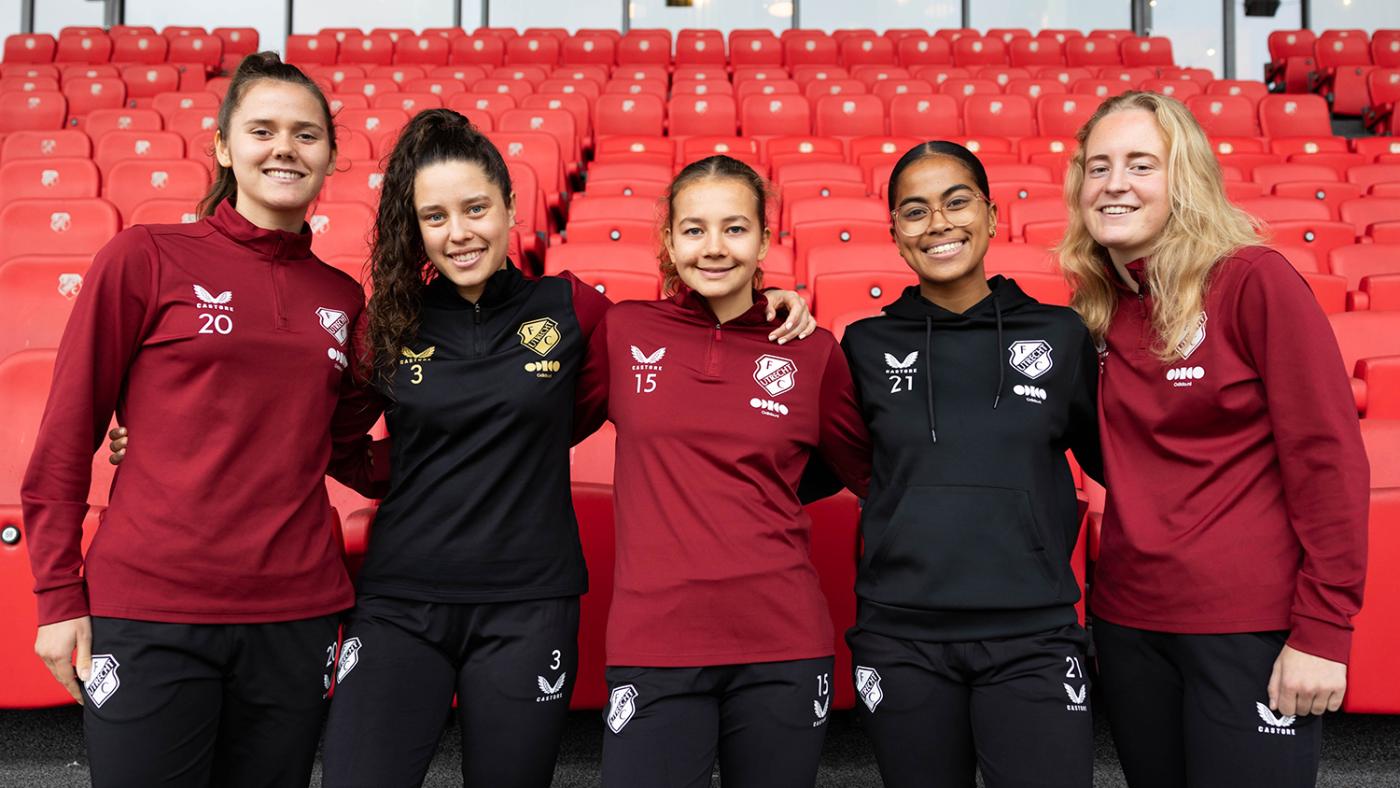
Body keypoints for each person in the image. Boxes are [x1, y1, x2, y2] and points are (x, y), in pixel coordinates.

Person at [241, 109, 813, 787]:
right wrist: (416, 468)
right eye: (436, 217)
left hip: (530, 605)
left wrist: (768, 300)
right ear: (416, 228)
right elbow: (331, 434)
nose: (459, 233)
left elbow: (679, 343)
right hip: (402, 600)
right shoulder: (392, 320)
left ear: (510, 206)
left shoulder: (568, 307)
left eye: (476, 208)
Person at [23, 52, 368, 787]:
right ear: (224, 146)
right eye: (263, 130)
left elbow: (346, 450)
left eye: (307, 135)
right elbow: (67, 433)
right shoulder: (145, 257)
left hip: (295, 612)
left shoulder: (342, 297)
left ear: (330, 156)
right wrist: (57, 597)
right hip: (152, 609)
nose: (285, 149)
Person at [1058, 90, 1369, 788]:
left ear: (1185, 176)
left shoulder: (1254, 281)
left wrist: (1324, 630)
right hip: (1131, 623)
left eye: (1141, 164)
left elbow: (1328, 460)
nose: (1113, 184)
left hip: (1247, 627)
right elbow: (1116, 455)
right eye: (1098, 166)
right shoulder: (1099, 308)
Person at [573, 155, 871, 788]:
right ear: (669, 240)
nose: (714, 248)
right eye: (694, 229)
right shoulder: (623, 332)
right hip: (654, 641)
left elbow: (868, 471)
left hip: (783, 640)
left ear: (765, 239)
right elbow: (536, 416)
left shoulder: (811, 350)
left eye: (735, 229)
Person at [838, 141, 1102, 787]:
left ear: (990, 215)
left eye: (956, 203)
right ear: (896, 235)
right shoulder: (864, 345)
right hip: (902, 636)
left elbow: (1118, 460)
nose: (939, 224)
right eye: (915, 211)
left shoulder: (1059, 335)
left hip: (1033, 632)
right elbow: (837, 465)